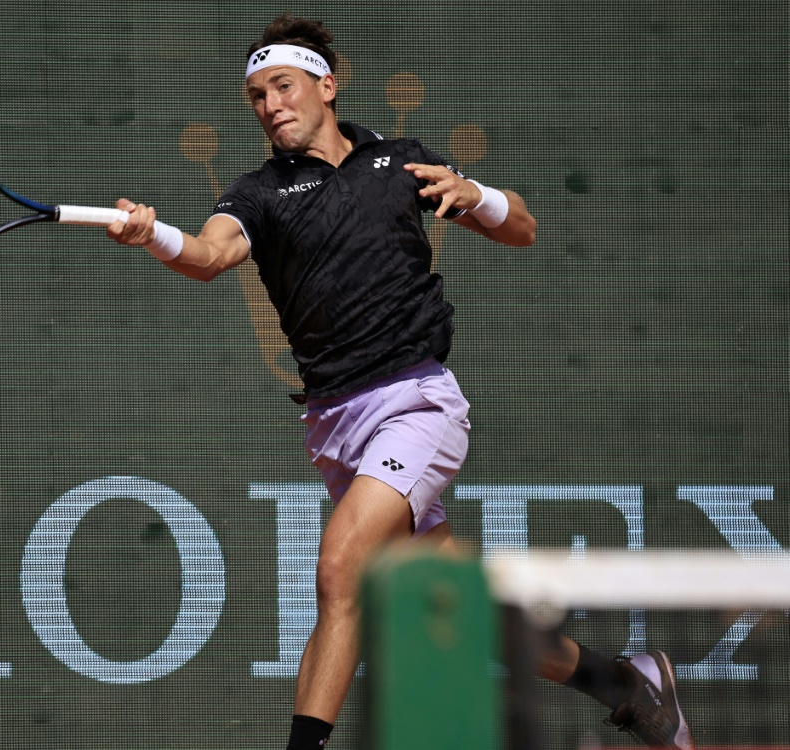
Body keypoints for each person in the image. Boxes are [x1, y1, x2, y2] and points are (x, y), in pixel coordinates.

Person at [106, 13, 693, 750]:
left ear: (326, 84)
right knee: (455, 610)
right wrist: (151, 235)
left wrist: (474, 192)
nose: (269, 105)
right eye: (255, 96)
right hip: (333, 423)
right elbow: (205, 254)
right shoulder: (258, 192)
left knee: (339, 570)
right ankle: (622, 682)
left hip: (414, 400)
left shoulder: (399, 163)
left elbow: (523, 228)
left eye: (281, 86)